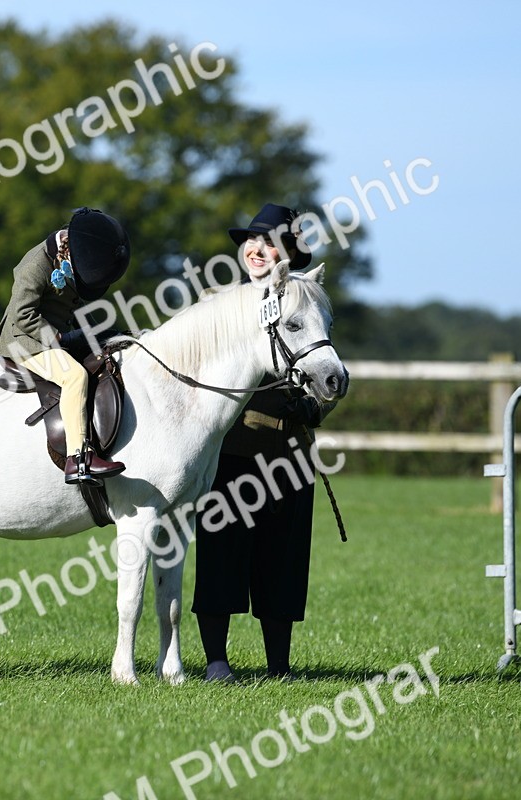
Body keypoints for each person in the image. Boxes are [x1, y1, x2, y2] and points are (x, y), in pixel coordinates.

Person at [193, 203, 325, 681]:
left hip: (290, 456)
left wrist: (313, 407)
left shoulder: (305, 297)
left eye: (269, 242)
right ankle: (216, 662)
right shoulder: (216, 302)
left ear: (288, 254)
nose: (257, 249)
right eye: (253, 240)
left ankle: (279, 667)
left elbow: (323, 363)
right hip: (232, 451)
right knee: (221, 557)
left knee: (282, 563)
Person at [0, 207, 131, 485]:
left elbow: (73, 307)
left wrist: (101, 335)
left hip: (56, 335)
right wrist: (58, 338)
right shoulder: (35, 265)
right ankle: (77, 459)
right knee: (74, 376)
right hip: (25, 341)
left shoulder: (71, 255)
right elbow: (22, 314)